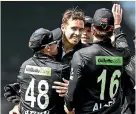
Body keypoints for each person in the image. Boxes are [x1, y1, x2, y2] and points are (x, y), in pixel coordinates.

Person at [4, 4, 132, 114]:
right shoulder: (49, 43)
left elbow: (97, 87)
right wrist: (18, 105)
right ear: (63, 27)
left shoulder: (86, 54)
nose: (78, 33)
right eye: (74, 28)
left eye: (81, 29)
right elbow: (33, 74)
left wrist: (74, 89)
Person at [64, 5, 131, 114]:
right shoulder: (122, 56)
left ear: (93, 29)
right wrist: (118, 25)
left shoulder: (81, 55)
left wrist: (69, 107)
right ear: (112, 30)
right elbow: (125, 48)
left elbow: (71, 94)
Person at [5, 28, 69, 114]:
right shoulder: (61, 69)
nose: (57, 44)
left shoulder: (24, 66)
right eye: (54, 43)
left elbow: (20, 92)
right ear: (48, 48)